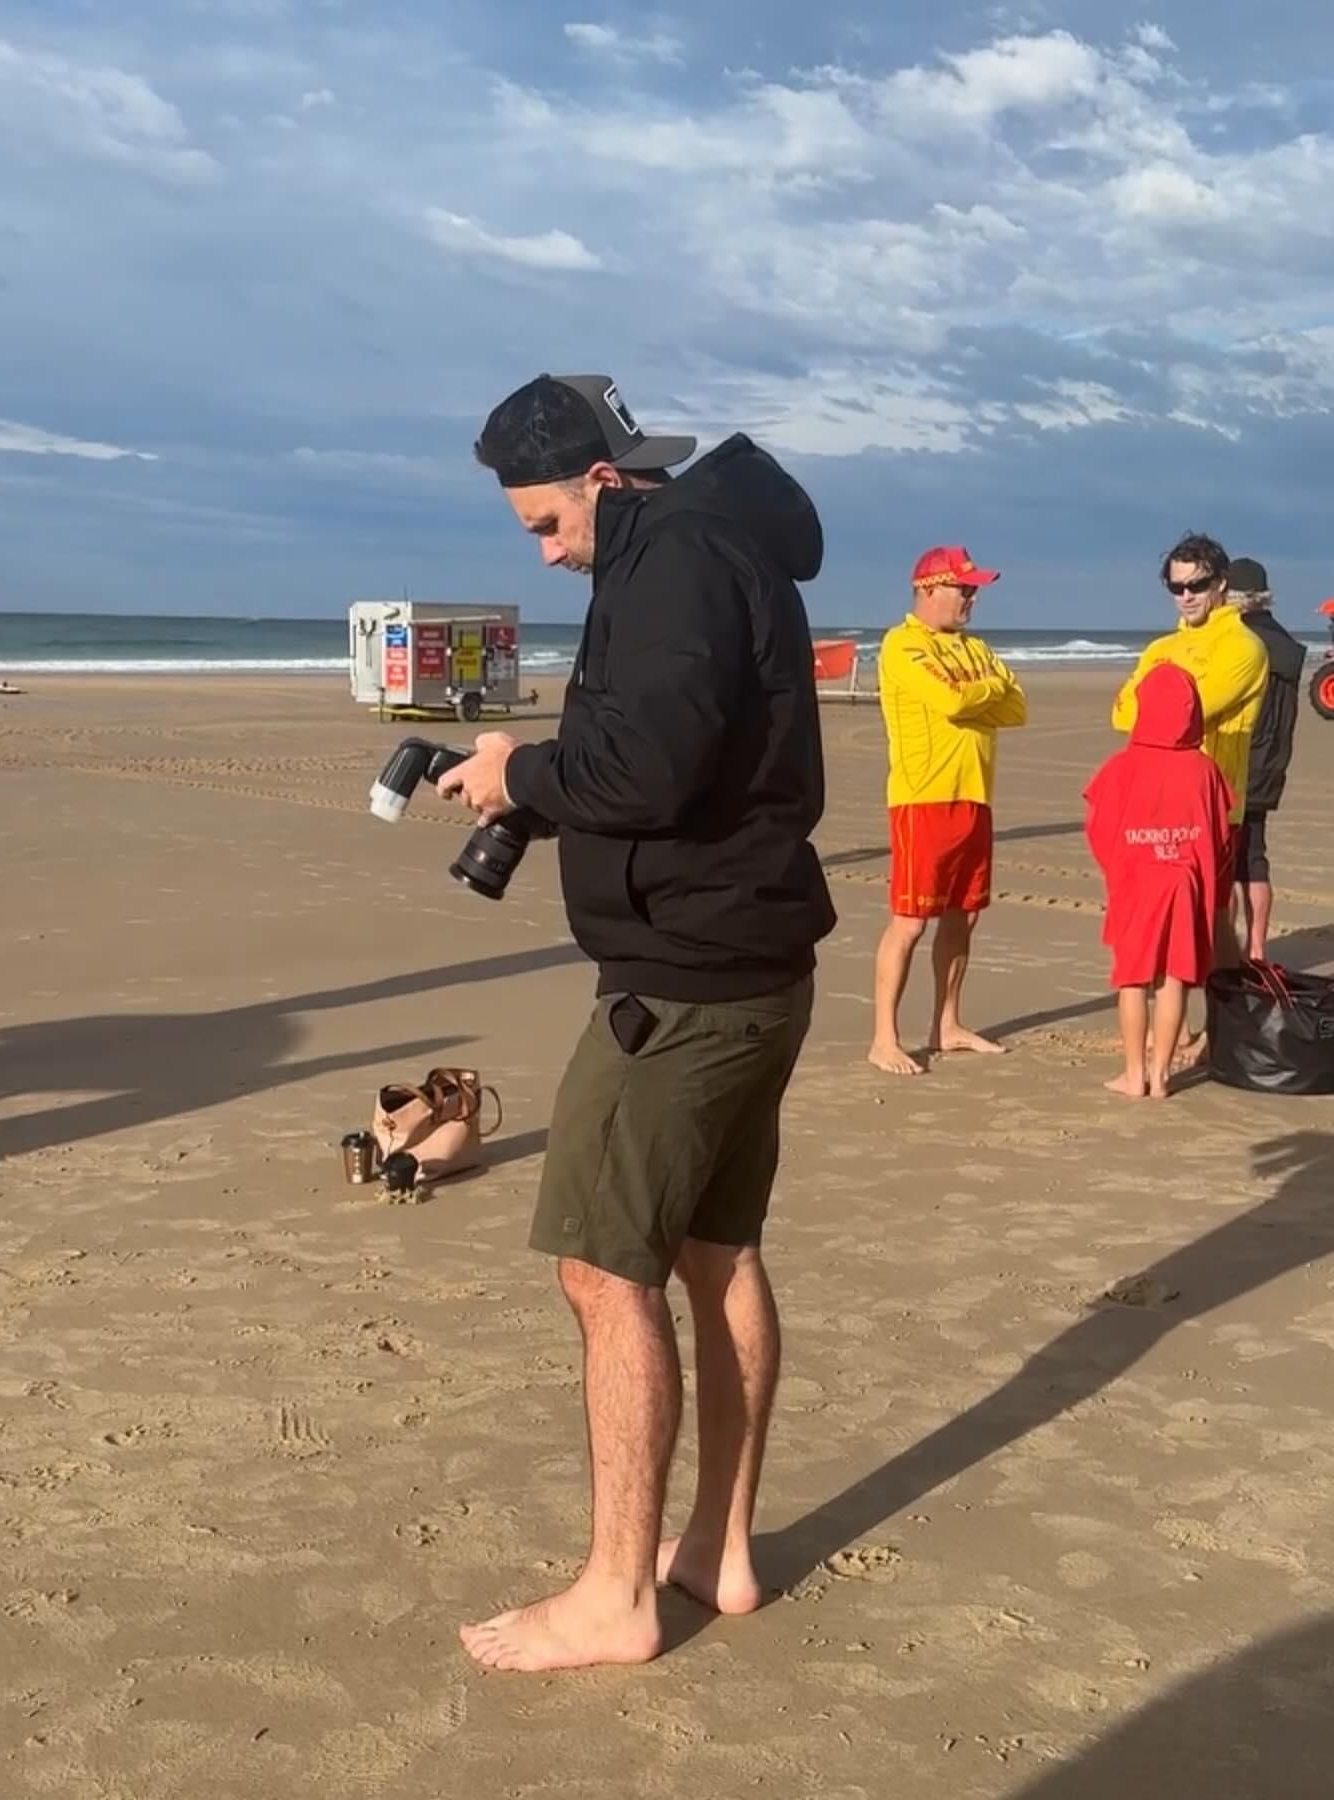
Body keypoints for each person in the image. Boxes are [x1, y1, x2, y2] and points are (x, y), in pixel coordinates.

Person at [436, 373, 835, 1672]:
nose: (545, 553)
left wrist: (520, 772)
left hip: (685, 983)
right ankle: (715, 1549)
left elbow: (650, 767)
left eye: (546, 523)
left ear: (605, 479)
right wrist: (536, 797)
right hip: (746, 959)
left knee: (606, 1272)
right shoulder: (696, 555)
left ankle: (618, 1593)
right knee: (718, 1250)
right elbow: (674, 752)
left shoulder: (674, 563)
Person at [868, 546, 1027, 1077]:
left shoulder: (975, 648)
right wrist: (985, 690)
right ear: (930, 588)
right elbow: (953, 702)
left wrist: (978, 690)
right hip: (923, 797)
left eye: (975, 590)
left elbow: (1017, 707)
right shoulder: (901, 644)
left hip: (975, 793)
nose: (972, 600)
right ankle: (884, 1037)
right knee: (911, 921)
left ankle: (947, 1024)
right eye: (965, 589)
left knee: (965, 915)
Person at [1112, 533, 1267, 972]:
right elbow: (1122, 714)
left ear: (1220, 583)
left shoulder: (1242, 647)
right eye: (1176, 587)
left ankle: (1226, 1028)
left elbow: (1190, 714)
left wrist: (1153, 704)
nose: (1186, 596)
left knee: (1212, 919)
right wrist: (1154, 707)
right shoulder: (1161, 649)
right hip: (1154, 803)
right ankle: (1175, 1030)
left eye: (1196, 585)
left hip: (1211, 805)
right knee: (1158, 917)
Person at [1085, 665, 1235, 1099]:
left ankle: (1135, 1074)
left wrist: (1121, 865)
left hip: (1138, 880)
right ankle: (1161, 1076)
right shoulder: (1205, 770)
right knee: (1176, 976)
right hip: (1185, 881)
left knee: (1133, 978)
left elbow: (1099, 828)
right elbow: (1222, 836)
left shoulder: (1121, 767)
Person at [1225, 557, 1306, 961]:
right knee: (1254, 856)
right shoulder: (1286, 644)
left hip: (1239, 759)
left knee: (1228, 862)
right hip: (1271, 760)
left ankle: (1230, 951)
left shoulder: (1240, 641)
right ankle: (1256, 949)